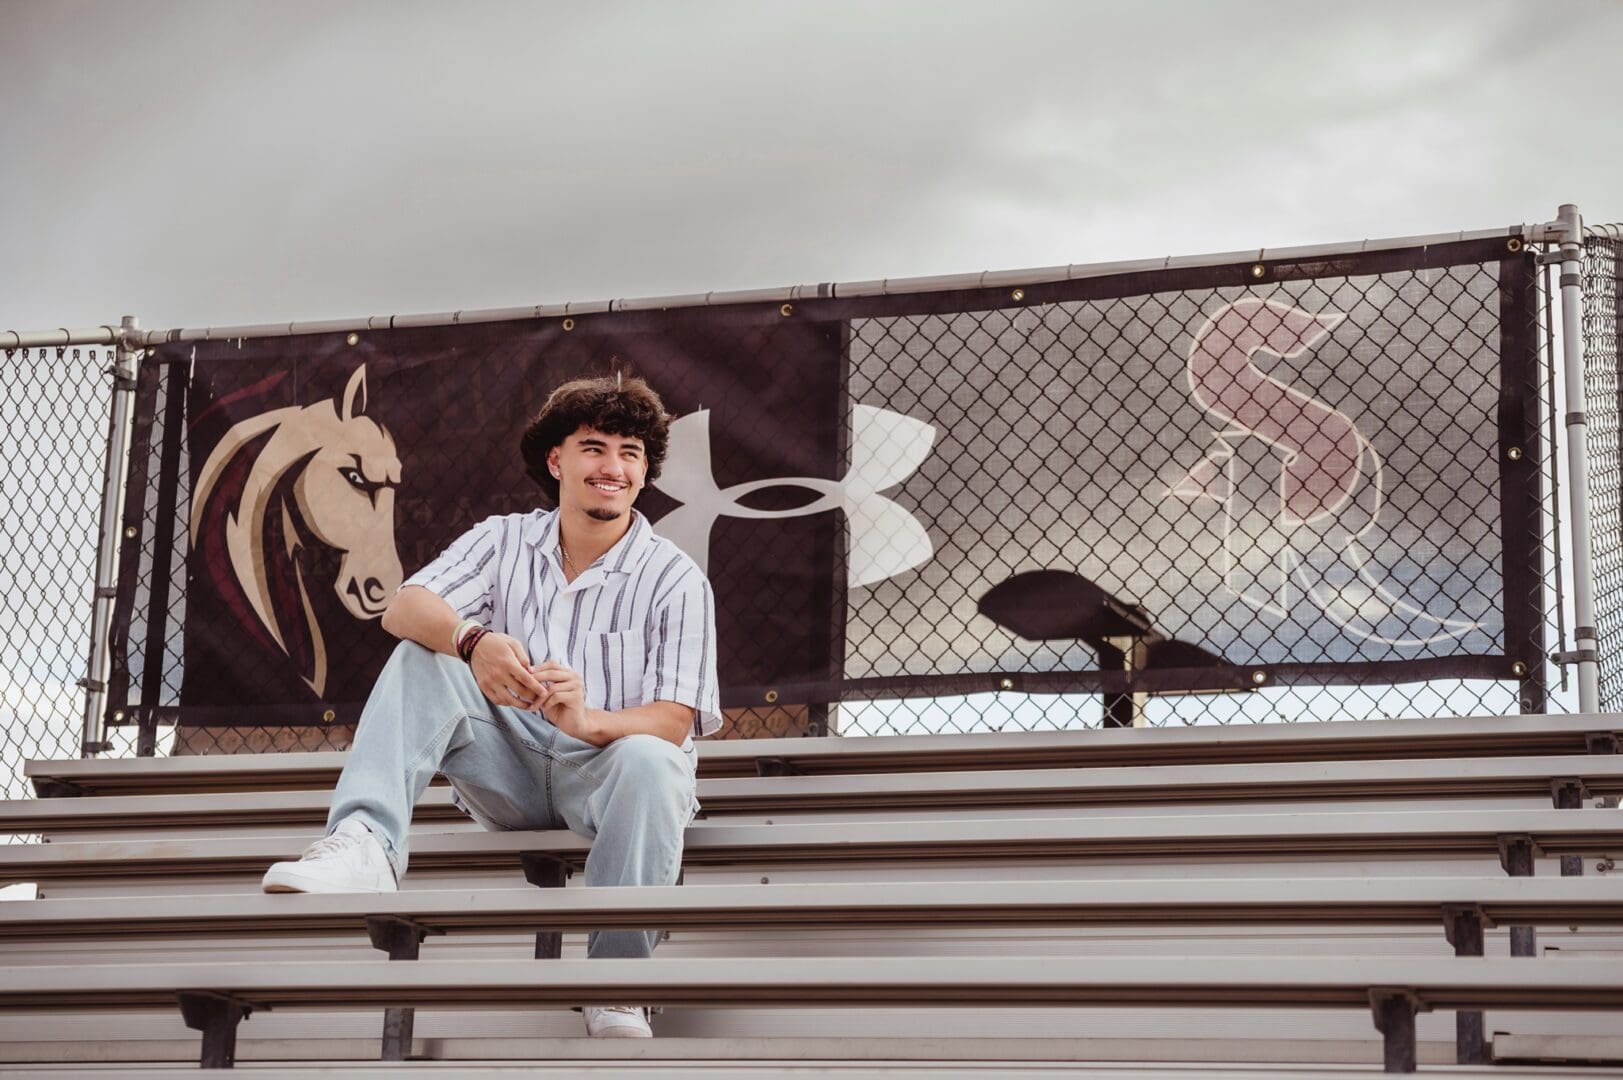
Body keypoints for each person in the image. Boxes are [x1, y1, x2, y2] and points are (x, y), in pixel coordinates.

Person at [261, 373, 721, 1039]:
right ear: (556, 460)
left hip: (607, 778)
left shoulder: (674, 577)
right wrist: (471, 641)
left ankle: (618, 986)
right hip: (507, 768)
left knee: (653, 761)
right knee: (425, 654)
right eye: (594, 448)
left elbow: (675, 719)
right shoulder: (505, 538)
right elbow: (403, 607)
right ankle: (365, 844)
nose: (613, 468)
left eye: (630, 453)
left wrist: (588, 721)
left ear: (644, 469)